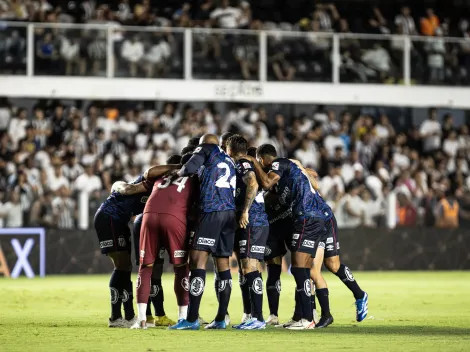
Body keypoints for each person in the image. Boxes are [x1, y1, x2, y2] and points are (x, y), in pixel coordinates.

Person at [244, 144, 325, 330]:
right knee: (300, 269)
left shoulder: (280, 163)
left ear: (263, 158)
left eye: (259, 160)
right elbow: (315, 181)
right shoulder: (290, 168)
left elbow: (266, 183)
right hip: (304, 217)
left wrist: (252, 161)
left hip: (306, 217)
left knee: (300, 269)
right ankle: (302, 316)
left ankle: (308, 317)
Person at [94, 162, 179, 328]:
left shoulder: (166, 190)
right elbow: (140, 179)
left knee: (124, 267)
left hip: (119, 220)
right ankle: (115, 316)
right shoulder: (151, 182)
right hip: (110, 216)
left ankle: (128, 315)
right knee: (121, 266)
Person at [170, 134, 237, 330]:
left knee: (197, 261)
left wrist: (180, 172)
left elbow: (188, 169)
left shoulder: (205, 149)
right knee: (222, 264)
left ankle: (191, 319)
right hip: (230, 213)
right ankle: (221, 318)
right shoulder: (228, 159)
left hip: (212, 211)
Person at [126, 153, 198, 329]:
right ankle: (183, 317)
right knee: (181, 268)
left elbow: (148, 173)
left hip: (148, 216)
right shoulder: (195, 178)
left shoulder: (162, 175)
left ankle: (142, 319)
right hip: (174, 218)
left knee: (145, 267)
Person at [226, 135, 268, 330]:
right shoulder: (242, 163)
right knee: (247, 269)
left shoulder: (242, 163)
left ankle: (258, 318)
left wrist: (244, 211)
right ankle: (252, 315)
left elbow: (253, 183)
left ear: (230, 149)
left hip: (252, 221)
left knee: (250, 268)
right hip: (252, 221)